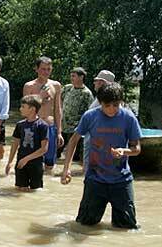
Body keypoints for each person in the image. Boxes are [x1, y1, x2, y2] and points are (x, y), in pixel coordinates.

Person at [60, 82, 142, 229]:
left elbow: (136, 148)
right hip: (95, 179)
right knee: (83, 227)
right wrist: (66, 168)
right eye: (107, 105)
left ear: (121, 102)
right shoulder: (90, 116)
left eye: (116, 105)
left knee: (127, 228)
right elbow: (73, 140)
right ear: (100, 102)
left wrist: (124, 151)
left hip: (121, 180)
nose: (111, 109)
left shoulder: (129, 118)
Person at [22, 56, 63, 172]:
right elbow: (25, 110)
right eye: (43, 69)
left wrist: (59, 131)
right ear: (36, 69)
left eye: (48, 69)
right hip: (34, 127)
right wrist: (40, 96)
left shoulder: (56, 85)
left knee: (50, 163)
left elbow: (58, 109)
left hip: (50, 126)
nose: (46, 72)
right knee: (32, 162)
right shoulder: (29, 86)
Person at [5, 95, 49, 190]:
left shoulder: (43, 126)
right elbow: (15, 144)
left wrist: (26, 159)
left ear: (32, 109)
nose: (20, 109)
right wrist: (10, 162)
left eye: (23, 107)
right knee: (20, 189)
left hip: (36, 163)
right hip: (20, 162)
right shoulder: (20, 125)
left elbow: (44, 149)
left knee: (36, 191)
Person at [58, 67, 94, 160]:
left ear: (81, 77)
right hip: (63, 126)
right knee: (55, 153)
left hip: (76, 129)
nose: (71, 78)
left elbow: (90, 111)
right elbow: (59, 101)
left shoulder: (87, 93)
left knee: (74, 157)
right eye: (71, 76)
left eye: (73, 76)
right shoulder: (67, 88)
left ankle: (70, 172)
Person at [83, 70, 115, 172]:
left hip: (96, 144)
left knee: (91, 173)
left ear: (102, 83)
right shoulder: (101, 100)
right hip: (95, 142)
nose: (94, 83)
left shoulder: (105, 102)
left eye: (96, 81)